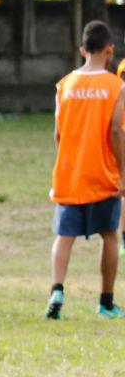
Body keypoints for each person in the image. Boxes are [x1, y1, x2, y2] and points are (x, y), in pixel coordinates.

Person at [47, 20, 125, 320]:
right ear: (110, 50)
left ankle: (57, 290)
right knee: (109, 236)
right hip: (103, 174)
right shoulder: (116, 86)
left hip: (70, 173)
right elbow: (117, 131)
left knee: (64, 236)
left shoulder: (64, 85)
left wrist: (68, 161)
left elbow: (58, 133)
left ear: (82, 50)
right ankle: (106, 302)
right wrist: (122, 173)